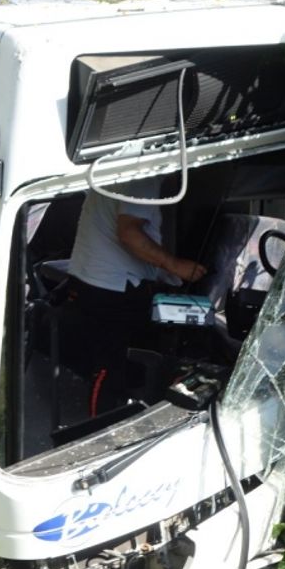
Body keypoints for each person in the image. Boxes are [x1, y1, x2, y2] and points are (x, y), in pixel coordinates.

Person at [64, 177, 206, 415]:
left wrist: (165, 273)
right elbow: (128, 233)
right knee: (109, 366)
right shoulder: (145, 177)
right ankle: (98, 433)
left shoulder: (118, 164)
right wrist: (175, 265)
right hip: (111, 286)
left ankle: (123, 404)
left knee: (108, 361)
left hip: (88, 278)